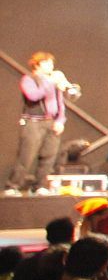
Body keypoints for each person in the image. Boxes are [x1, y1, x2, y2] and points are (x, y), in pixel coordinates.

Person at [12, 49, 74, 192]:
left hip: (51, 122)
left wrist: (60, 120)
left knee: (49, 157)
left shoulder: (53, 82)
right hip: (33, 122)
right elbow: (33, 96)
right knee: (26, 156)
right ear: (38, 64)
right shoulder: (29, 79)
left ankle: (39, 186)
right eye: (47, 63)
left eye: (52, 63)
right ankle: (13, 186)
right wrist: (50, 82)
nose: (51, 66)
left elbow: (60, 102)